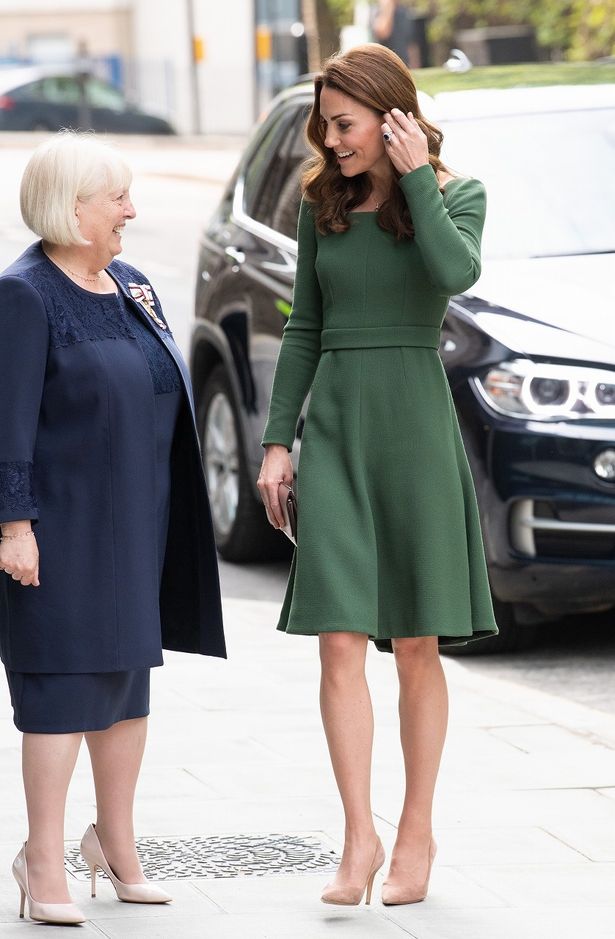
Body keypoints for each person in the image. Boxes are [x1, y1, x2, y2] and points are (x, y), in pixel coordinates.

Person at [258, 43, 498, 908]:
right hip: (336, 434)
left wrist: (417, 178)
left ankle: (417, 830)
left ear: (393, 118)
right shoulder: (320, 204)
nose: (331, 139)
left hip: (414, 433)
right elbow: (301, 328)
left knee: (417, 644)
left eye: (345, 123)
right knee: (336, 638)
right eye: (326, 123)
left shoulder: (455, 194)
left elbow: (453, 272)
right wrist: (277, 441)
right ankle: (357, 835)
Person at [0, 131, 226, 926]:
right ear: (72, 208)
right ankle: (41, 856)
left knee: (127, 690)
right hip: (62, 530)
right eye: (117, 196)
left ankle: (116, 844)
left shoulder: (130, 284)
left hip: (135, 524)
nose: (132, 208)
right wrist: (12, 524)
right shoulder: (25, 294)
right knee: (62, 690)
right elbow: (9, 420)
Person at [372, 0, 422, 69]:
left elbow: (411, 44)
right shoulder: (378, 11)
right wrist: (388, 6)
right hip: (386, 66)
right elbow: (383, 33)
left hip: (404, 66)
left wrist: (415, 66)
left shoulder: (404, 12)